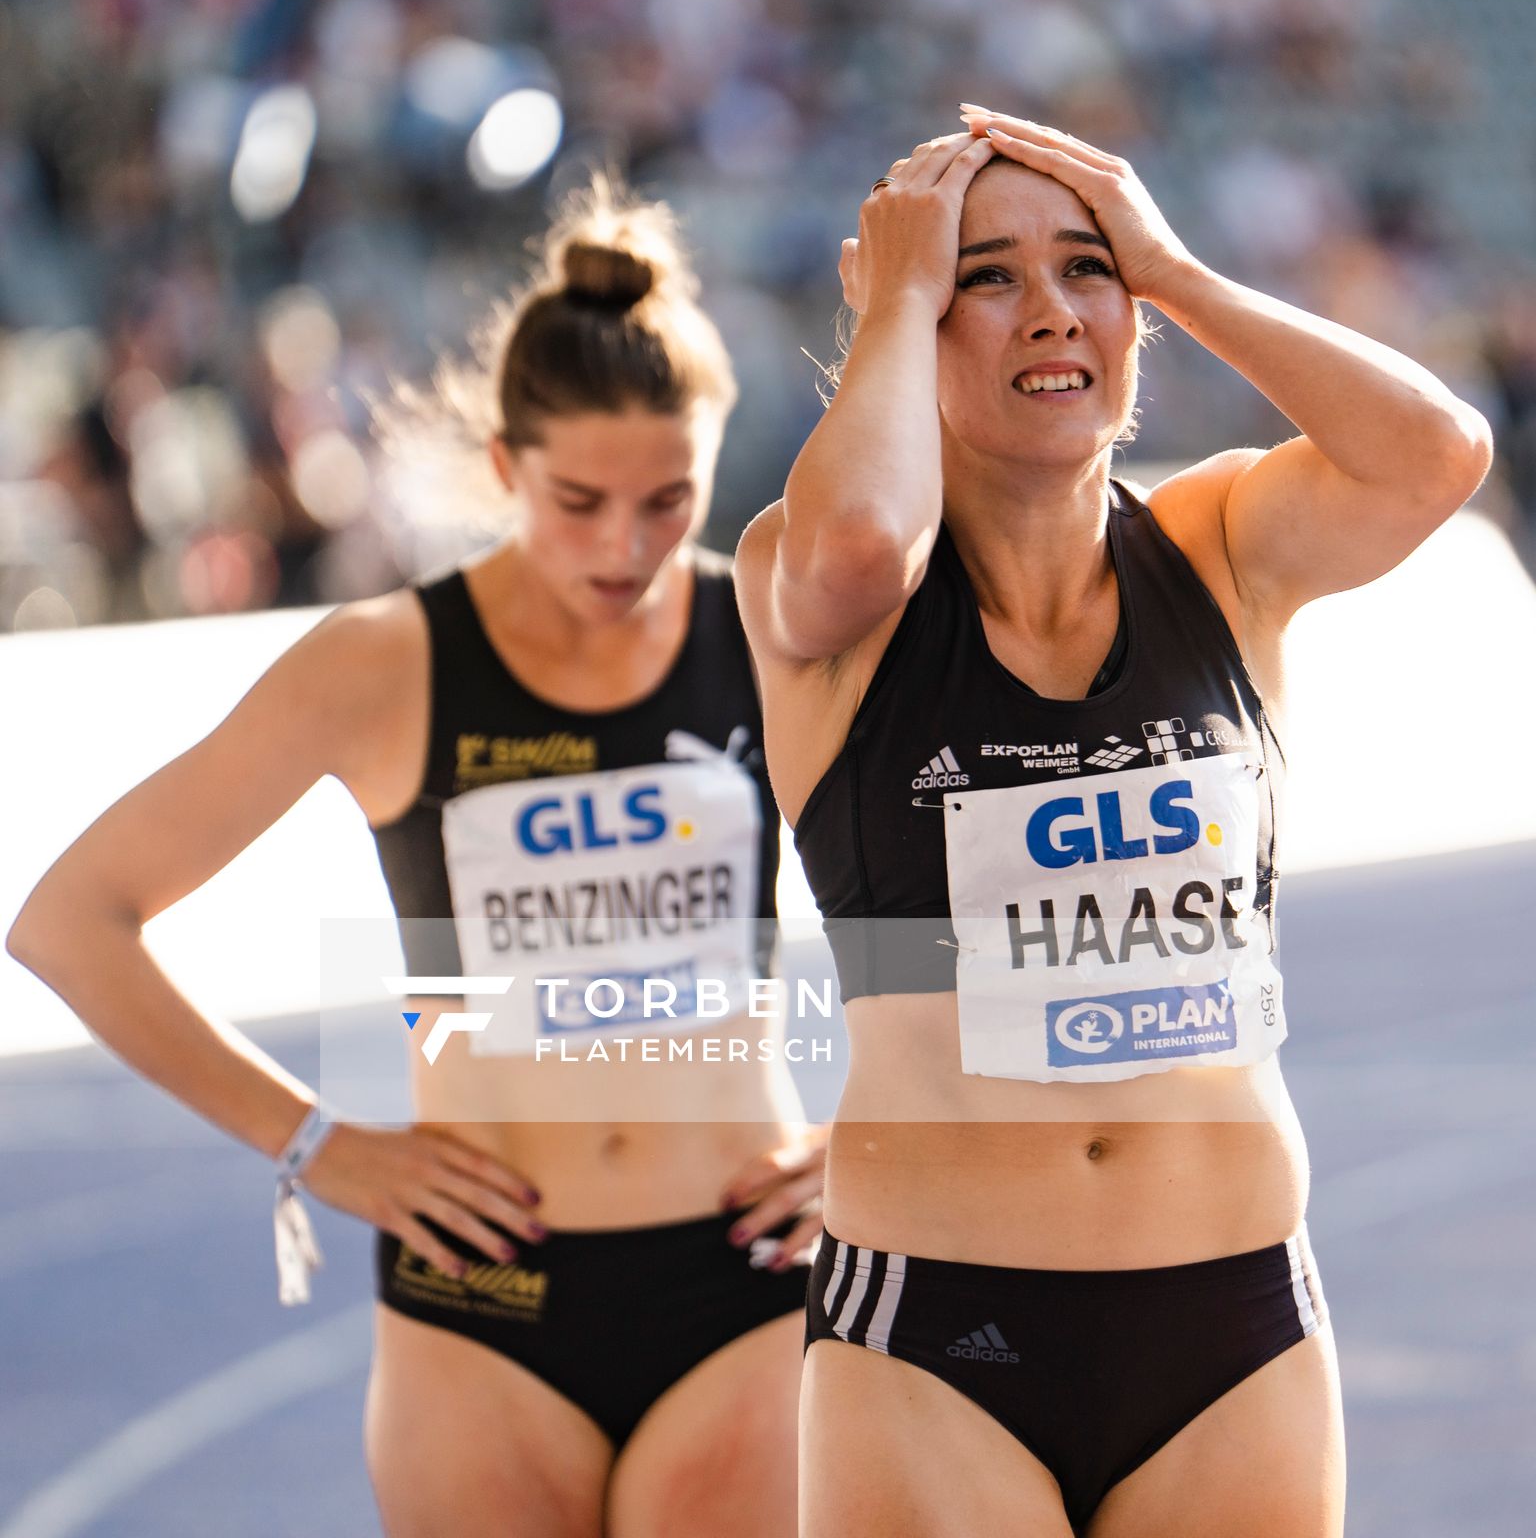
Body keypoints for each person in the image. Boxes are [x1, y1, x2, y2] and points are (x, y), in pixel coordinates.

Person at [7, 178, 824, 1538]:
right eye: (579, 500)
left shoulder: (772, 635)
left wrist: (881, 1139)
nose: (625, 547)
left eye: (669, 500)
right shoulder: (384, 666)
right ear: (504, 467)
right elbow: (70, 921)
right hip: (485, 1298)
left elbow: (981, 896)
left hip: (741, 1272)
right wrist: (315, 1141)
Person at [735, 111, 1493, 1538]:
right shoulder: (826, 582)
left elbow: (1435, 457)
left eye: (1087, 270)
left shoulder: (1223, 547)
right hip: (940, 1340)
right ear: (910, 311)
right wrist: (892, 292)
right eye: (988, 277)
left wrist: (1182, 273)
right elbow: (853, 546)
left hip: (1235, 1323)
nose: (1053, 313)